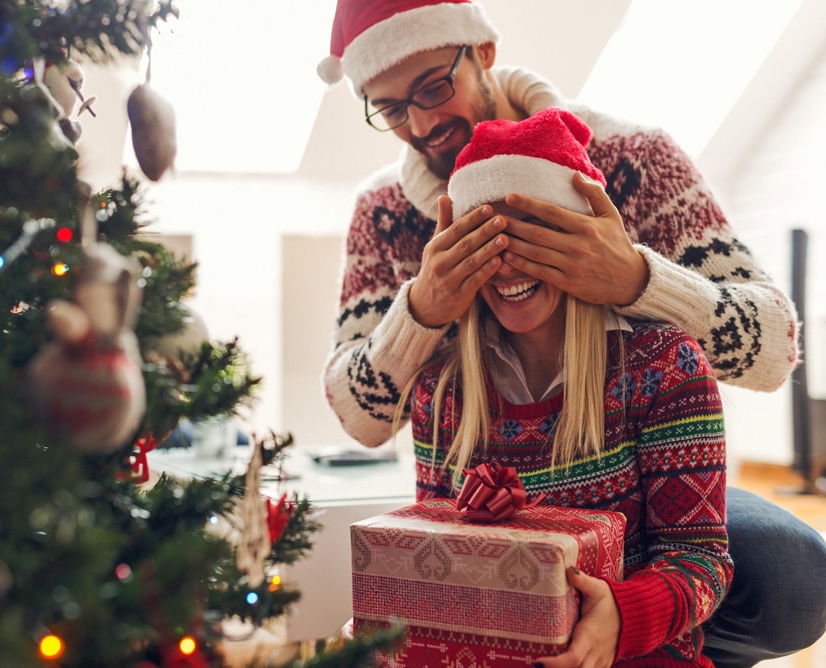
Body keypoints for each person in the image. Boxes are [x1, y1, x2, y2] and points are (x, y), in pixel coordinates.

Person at [316, 1, 826, 666]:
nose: (419, 125)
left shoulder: (635, 157)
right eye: (388, 109)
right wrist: (422, 309)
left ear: (485, 53)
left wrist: (639, 281)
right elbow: (360, 420)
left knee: (790, 573)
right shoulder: (383, 214)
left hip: (634, 469)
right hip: (489, 474)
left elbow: (776, 345)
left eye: (434, 87)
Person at [406, 106, 732, 666]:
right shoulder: (442, 391)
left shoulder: (665, 367)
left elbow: (701, 560)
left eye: (533, 237)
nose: (507, 267)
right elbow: (441, 557)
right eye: (485, 241)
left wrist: (622, 616)